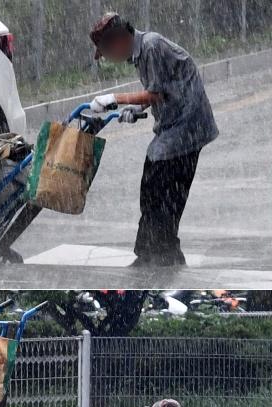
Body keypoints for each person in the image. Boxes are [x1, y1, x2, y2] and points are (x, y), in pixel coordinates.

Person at [89, 13, 219, 268]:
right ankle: (155, 253)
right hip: (176, 126)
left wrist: (116, 98)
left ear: (118, 40)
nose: (110, 59)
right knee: (155, 191)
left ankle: (160, 254)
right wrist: (135, 109)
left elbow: (155, 93)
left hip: (186, 127)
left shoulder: (151, 46)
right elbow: (160, 92)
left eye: (106, 52)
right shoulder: (142, 52)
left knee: (162, 190)